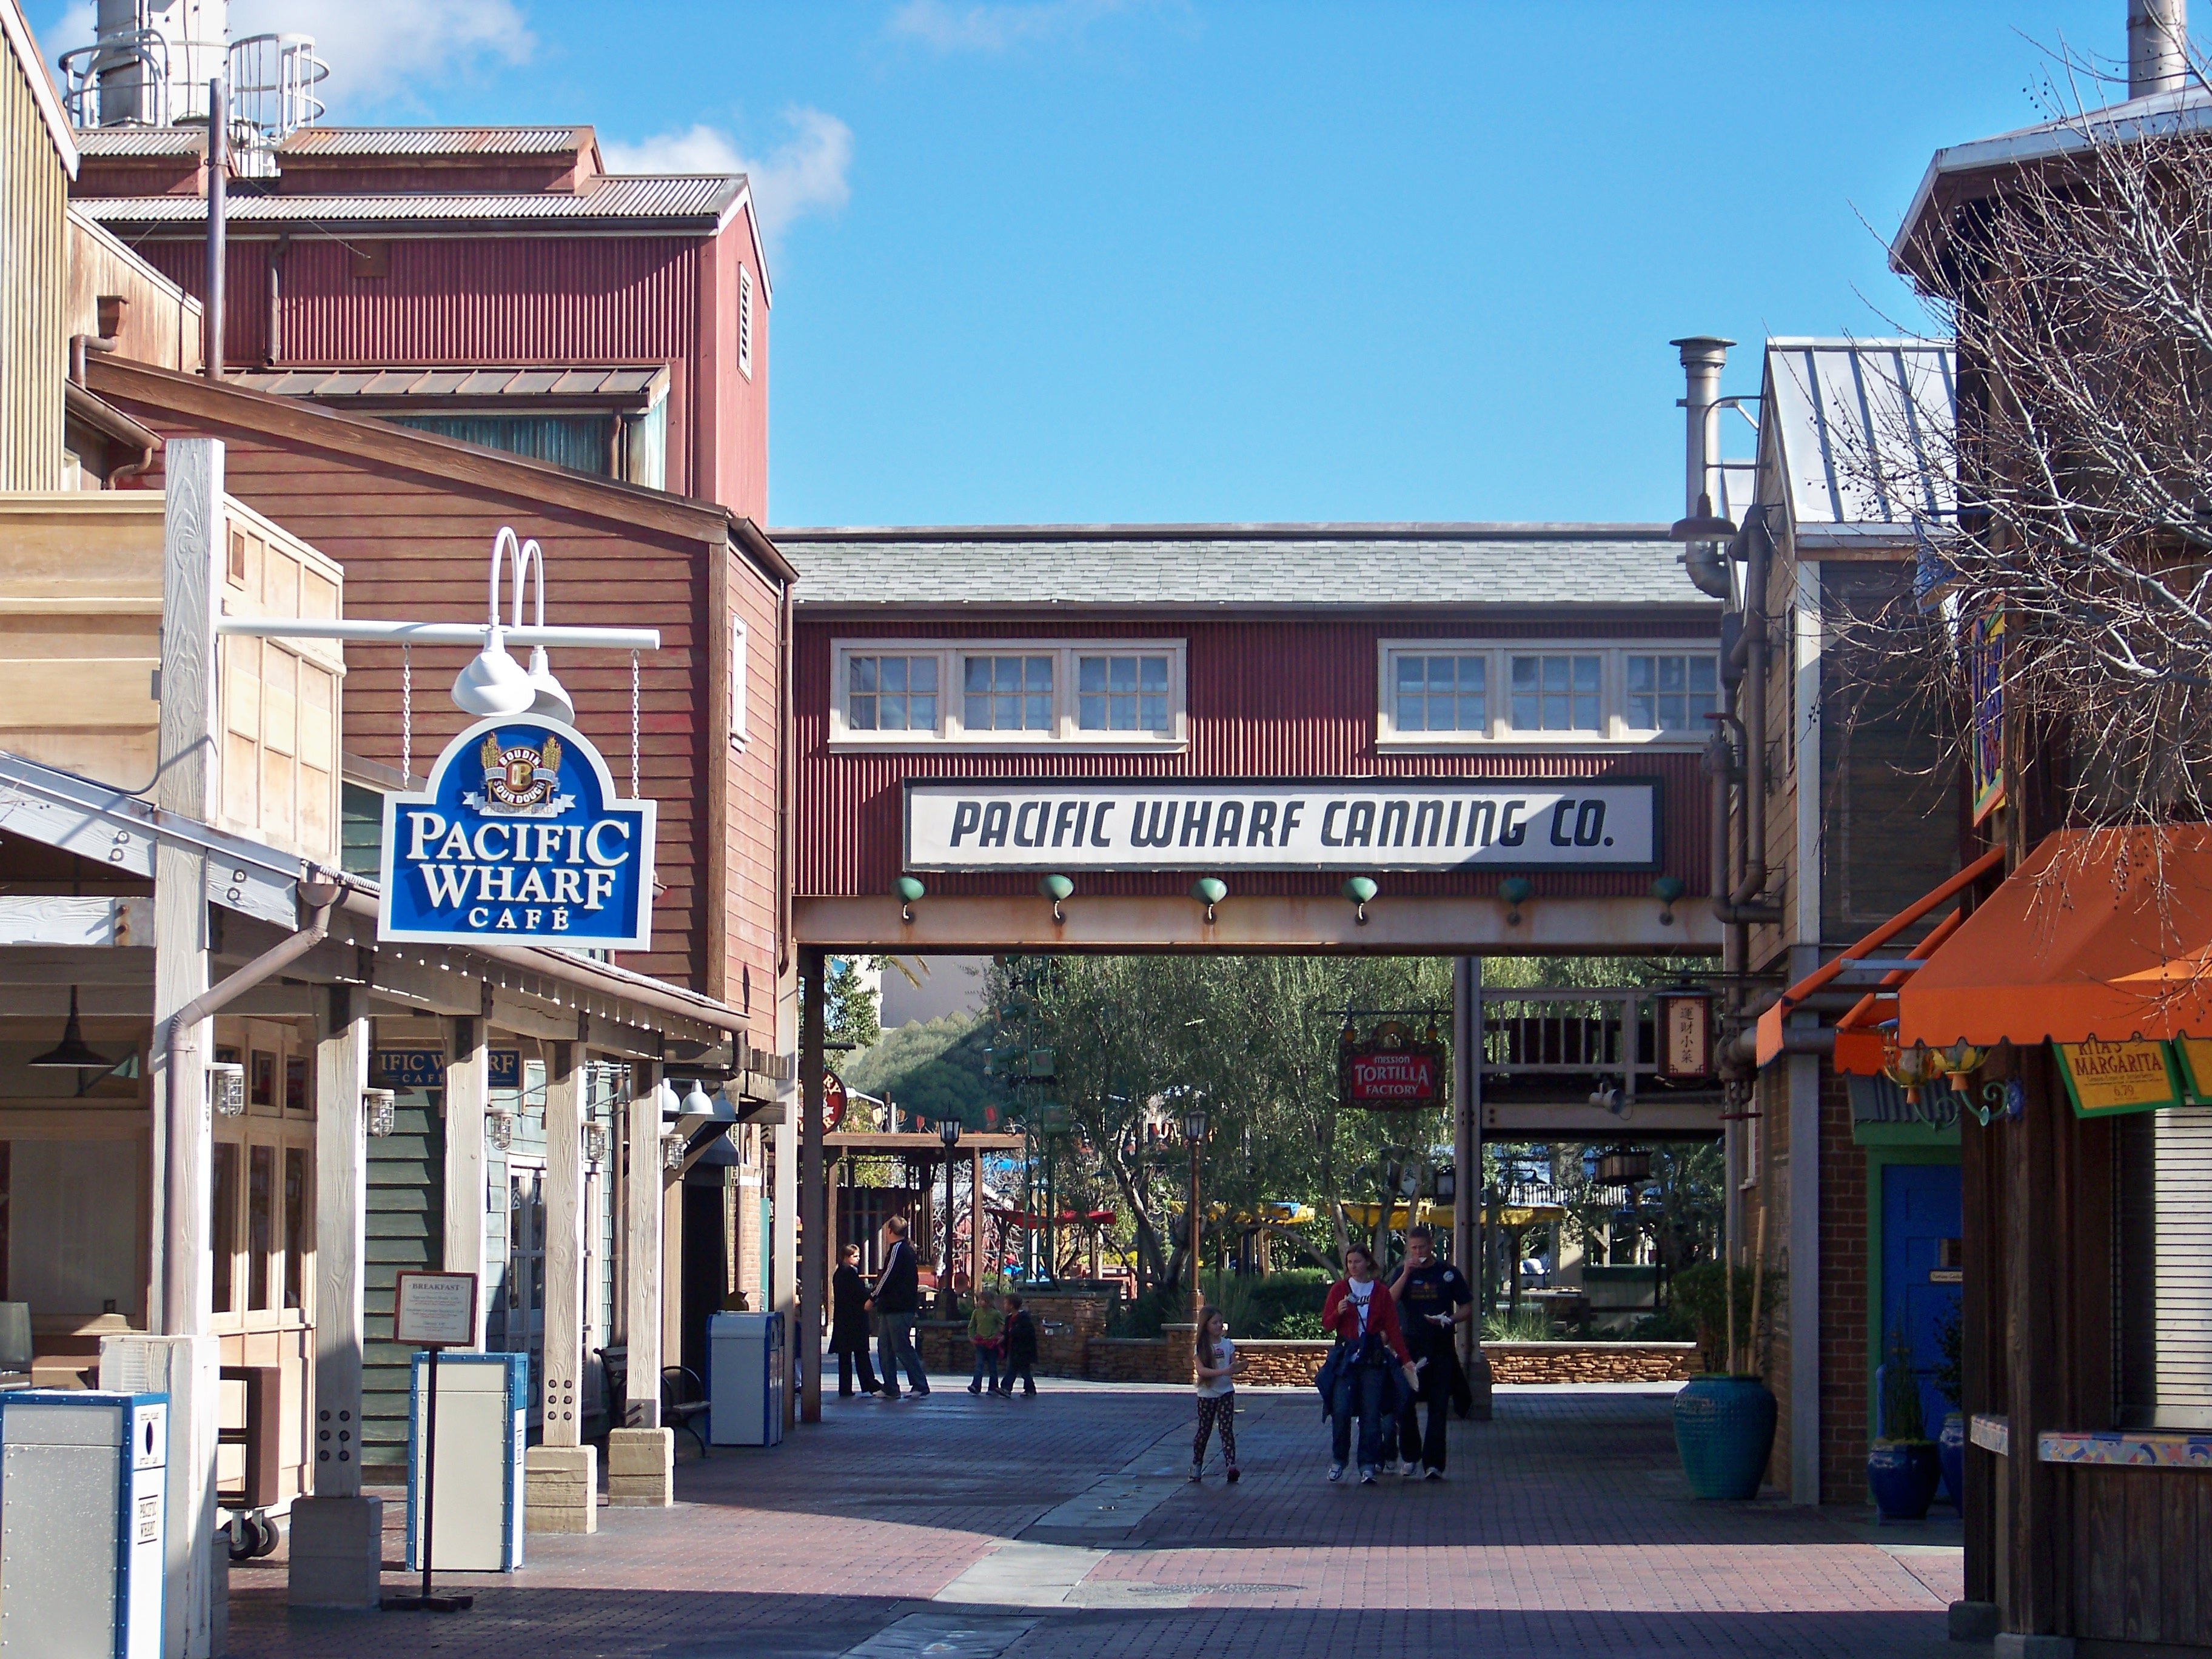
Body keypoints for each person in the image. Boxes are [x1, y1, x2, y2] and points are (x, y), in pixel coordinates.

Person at [1321, 1242, 1418, 1485]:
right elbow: (1327, 1324)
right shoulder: (1339, 1290)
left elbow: (1393, 1328)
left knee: (1371, 1413)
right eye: (1350, 1262)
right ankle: (1339, 1460)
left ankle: (1367, 1465)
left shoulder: (1380, 1292)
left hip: (1372, 1357)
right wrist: (1339, 1312)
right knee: (1341, 1409)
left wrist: (1406, 1360)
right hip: (1347, 1356)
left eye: (1358, 1262)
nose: (1354, 1267)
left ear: (1368, 1264)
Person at [1388, 1224, 1472, 1478]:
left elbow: (1467, 1307)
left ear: (1431, 1245)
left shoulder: (1448, 1272)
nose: (1418, 1252)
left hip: (1441, 1347)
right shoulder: (1402, 1272)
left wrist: (1451, 1320)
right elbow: (1388, 1302)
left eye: (1422, 1247)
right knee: (1405, 1404)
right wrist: (1405, 1274)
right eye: (1413, 1249)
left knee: (1438, 1407)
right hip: (1410, 1347)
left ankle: (1434, 1464)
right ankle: (1411, 1455)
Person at [866, 1215, 929, 1399]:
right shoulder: (905, 1250)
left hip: (898, 1307)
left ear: (890, 1231)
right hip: (893, 1307)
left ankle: (920, 1384)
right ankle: (891, 1387)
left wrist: (873, 1297)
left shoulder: (898, 1250)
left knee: (901, 1346)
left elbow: (887, 1275)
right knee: (885, 1346)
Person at [1191, 1302, 1241, 1483]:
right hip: (1207, 1395)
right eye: (1215, 1323)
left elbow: (1234, 1365)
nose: (1219, 1325)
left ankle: (1231, 1465)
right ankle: (1197, 1464)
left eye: (1221, 1322)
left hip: (1226, 1393)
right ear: (1206, 1326)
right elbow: (1202, 1371)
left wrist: (1239, 1367)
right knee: (1204, 1430)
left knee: (1226, 1429)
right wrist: (1223, 1372)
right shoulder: (1201, 1348)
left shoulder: (1228, 1344)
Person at [829, 1242, 881, 1398]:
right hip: (854, 1320)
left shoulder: (839, 1273)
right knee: (861, 1353)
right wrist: (870, 1294)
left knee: (845, 1356)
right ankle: (871, 1385)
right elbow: (859, 1294)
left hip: (843, 1320)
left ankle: (845, 1388)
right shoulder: (849, 1274)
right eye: (855, 1256)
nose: (858, 1259)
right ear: (846, 1257)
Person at [998, 1293, 1038, 1396]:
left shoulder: (1023, 1319)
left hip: (1022, 1350)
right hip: (1013, 1349)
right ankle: (1008, 1388)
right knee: (1013, 1369)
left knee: (1023, 1371)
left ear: (1011, 1305)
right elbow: (1007, 1333)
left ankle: (1010, 1388)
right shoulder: (1009, 1319)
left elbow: (1026, 1333)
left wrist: (1012, 1332)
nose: (1004, 1305)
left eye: (1006, 1303)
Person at [967, 1290, 1005, 1394]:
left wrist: (1001, 1336)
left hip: (992, 1343)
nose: (980, 1302)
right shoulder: (976, 1312)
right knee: (979, 1365)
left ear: (989, 1302)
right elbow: (971, 1326)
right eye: (979, 1300)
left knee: (992, 1366)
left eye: (983, 1300)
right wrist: (971, 1337)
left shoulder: (995, 1314)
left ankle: (993, 1387)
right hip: (980, 1342)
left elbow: (1003, 1326)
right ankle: (976, 1386)